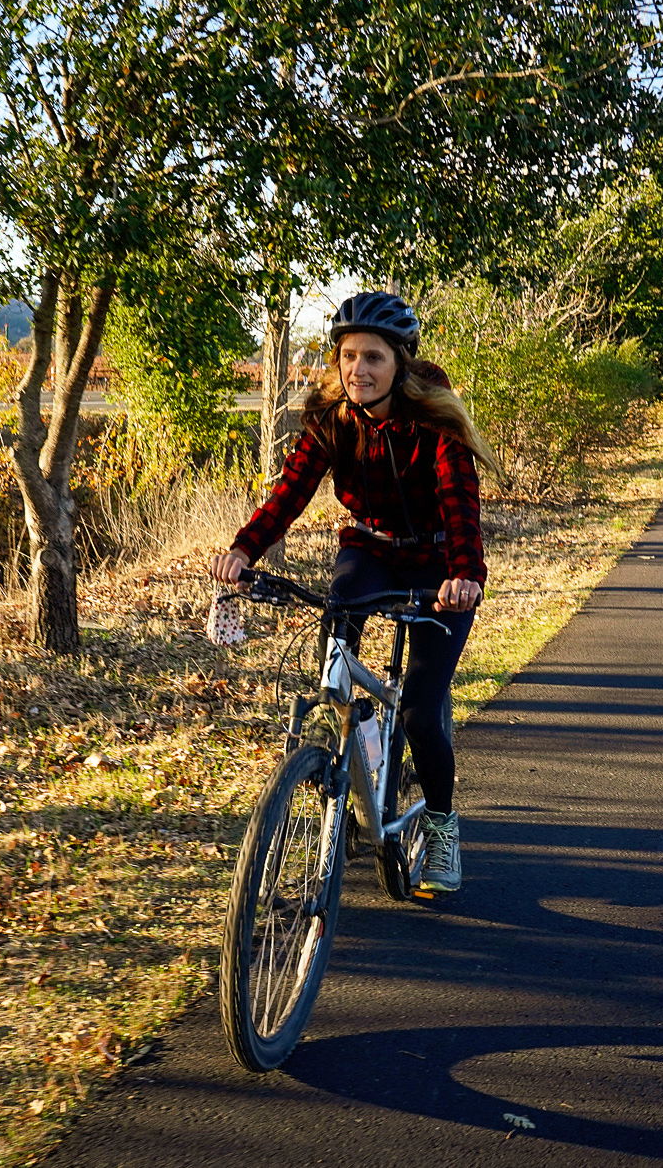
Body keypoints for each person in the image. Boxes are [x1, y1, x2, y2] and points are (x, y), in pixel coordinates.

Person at [211, 291, 498, 894]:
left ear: (400, 364)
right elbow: (289, 494)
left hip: (438, 563)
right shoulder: (330, 420)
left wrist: (465, 575)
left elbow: (460, 505)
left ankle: (442, 829)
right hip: (367, 549)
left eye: (372, 357)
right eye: (347, 356)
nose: (357, 370)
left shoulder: (433, 424)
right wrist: (243, 549)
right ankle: (351, 776)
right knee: (336, 660)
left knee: (420, 707)